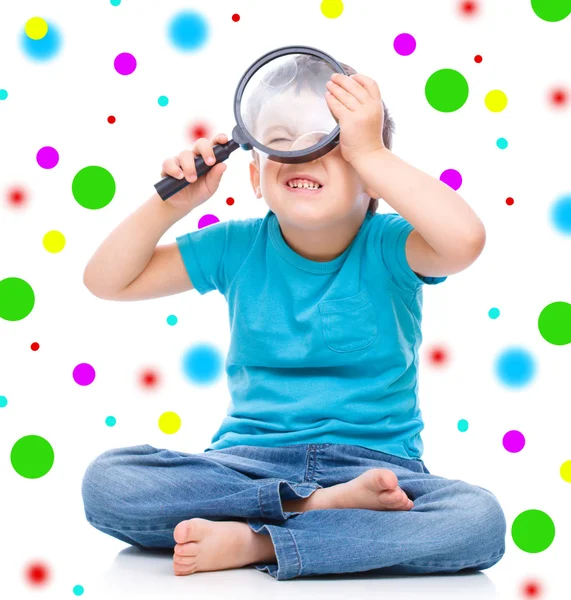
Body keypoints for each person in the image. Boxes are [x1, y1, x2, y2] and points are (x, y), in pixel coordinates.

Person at [81, 55, 506, 581]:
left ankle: (261, 542)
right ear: (256, 175)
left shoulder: (394, 246)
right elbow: (106, 281)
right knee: (109, 483)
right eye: (278, 141)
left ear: (374, 178)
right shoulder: (236, 246)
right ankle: (308, 515)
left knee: (478, 521)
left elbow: (465, 240)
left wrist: (370, 149)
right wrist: (172, 205)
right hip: (245, 466)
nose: (300, 153)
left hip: (377, 470)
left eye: (330, 142)